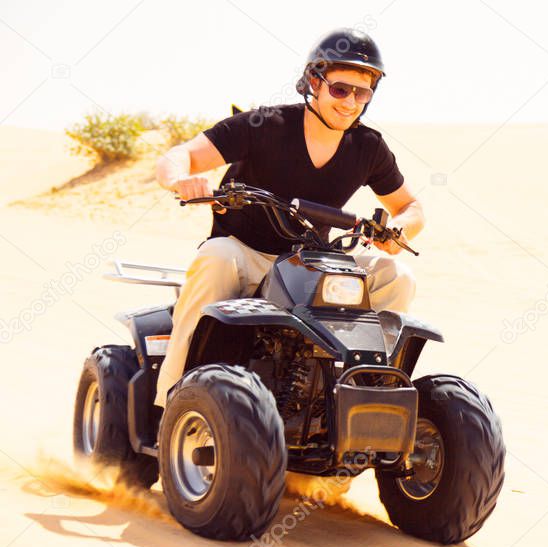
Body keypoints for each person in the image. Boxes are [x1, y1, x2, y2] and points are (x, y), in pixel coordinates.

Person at [153, 28, 422, 409]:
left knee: (397, 275)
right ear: (315, 82)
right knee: (213, 261)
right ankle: (174, 405)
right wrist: (181, 180)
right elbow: (178, 157)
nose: (350, 103)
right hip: (244, 253)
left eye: (362, 93)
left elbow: (412, 207)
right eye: (341, 89)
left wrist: (399, 231)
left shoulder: (368, 147)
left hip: (309, 264)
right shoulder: (264, 125)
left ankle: (368, 393)